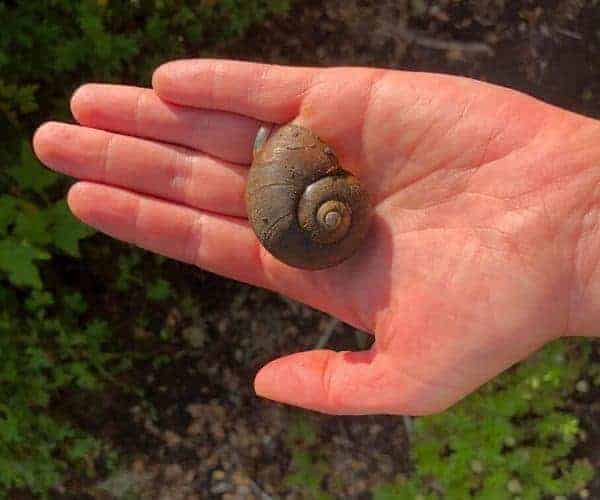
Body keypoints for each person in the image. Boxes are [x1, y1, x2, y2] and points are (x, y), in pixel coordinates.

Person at [33, 60, 600, 416]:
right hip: (307, 221)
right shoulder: (314, 189)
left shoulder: (317, 193)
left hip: (308, 222)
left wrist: (579, 224)